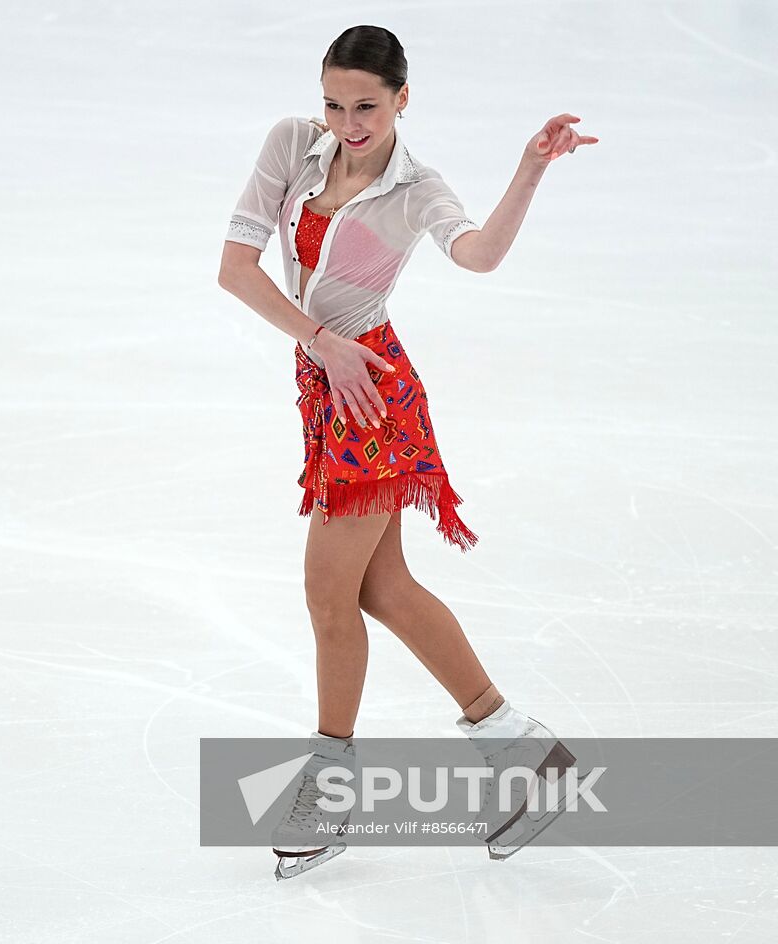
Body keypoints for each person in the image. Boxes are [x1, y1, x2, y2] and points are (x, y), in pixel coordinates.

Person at [216, 24, 598, 875]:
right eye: (333, 102)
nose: (348, 122)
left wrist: (530, 167)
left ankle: (331, 792)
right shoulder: (292, 143)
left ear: (401, 100)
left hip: (372, 398)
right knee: (383, 587)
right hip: (330, 383)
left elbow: (479, 253)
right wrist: (318, 339)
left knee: (327, 595)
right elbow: (235, 269)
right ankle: (525, 757)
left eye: (366, 105)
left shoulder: (415, 187)